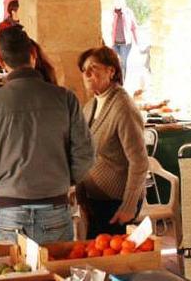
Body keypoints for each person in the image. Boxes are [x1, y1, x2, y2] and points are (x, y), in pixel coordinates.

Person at [0, 27, 94, 244]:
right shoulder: (64, 98)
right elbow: (86, 153)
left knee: (14, 276)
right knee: (56, 276)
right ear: (33, 55)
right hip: (54, 205)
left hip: (9, 209)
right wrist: (64, 180)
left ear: (1, 61)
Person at [76, 47, 148, 238]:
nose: (87, 73)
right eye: (84, 70)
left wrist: (129, 205)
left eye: (94, 67)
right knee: (95, 260)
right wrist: (81, 195)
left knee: (111, 261)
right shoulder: (90, 106)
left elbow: (139, 161)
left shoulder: (123, 107)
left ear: (111, 71)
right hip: (95, 200)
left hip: (117, 203)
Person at [0, 0, 20, 69]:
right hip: (10, 67)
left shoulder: (24, 24)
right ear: (13, 12)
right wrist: (4, 65)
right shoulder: (4, 27)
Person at [111, 7, 138, 81]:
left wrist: (137, 41)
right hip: (114, 43)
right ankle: (115, 80)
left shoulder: (128, 12)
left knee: (123, 63)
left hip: (125, 44)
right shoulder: (111, 13)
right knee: (113, 63)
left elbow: (133, 27)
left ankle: (121, 81)